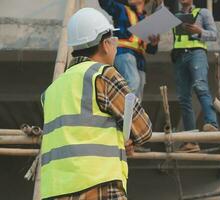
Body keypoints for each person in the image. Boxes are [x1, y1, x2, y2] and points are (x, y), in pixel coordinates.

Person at [40, 8, 152, 200]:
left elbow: (79, 132)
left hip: (54, 191)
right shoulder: (103, 75)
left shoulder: (51, 91)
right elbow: (143, 129)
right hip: (99, 187)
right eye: (114, 40)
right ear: (105, 44)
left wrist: (118, 140)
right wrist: (126, 139)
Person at [172, 0, 218, 152]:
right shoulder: (174, 16)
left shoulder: (203, 12)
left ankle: (212, 123)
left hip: (196, 53)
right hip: (179, 57)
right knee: (184, 98)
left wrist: (199, 31)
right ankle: (191, 141)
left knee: (200, 85)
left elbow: (214, 34)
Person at [98, 0, 160, 100]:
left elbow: (151, 50)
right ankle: (123, 114)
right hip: (125, 53)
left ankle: (132, 115)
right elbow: (105, 2)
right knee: (133, 82)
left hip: (140, 59)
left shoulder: (146, 19)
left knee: (138, 92)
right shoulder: (122, 9)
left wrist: (154, 43)